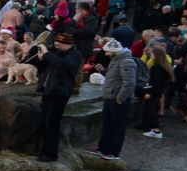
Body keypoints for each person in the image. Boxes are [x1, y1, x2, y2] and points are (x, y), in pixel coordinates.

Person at [35, 31, 82, 161]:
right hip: (48, 89)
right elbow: (45, 66)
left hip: (60, 91)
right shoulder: (57, 53)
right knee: (44, 121)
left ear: (68, 44)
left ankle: (51, 153)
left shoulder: (75, 55)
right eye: (56, 44)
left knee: (52, 122)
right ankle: (43, 149)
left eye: (59, 45)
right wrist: (41, 58)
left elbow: (63, 64)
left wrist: (47, 53)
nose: (57, 47)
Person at [86, 40, 135, 160]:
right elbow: (115, 75)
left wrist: (120, 98)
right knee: (107, 125)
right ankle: (103, 148)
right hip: (110, 96)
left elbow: (129, 82)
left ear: (114, 51)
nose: (106, 54)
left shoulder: (127, 61)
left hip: (117, 98)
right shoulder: (116, 60)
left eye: (107, 51)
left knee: (117, 126)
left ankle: (114, 152)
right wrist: (103, 70)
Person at [139, 45, 173, 139]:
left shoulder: (157, 67)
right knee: (152, 108)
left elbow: (156, 83)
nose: (151, 56)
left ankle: (156, 129)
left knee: (150, 109)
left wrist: (149, 93)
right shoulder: (165, 67)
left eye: (152, 55)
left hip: (154, 91)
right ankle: (152, 128)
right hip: (159, 91)